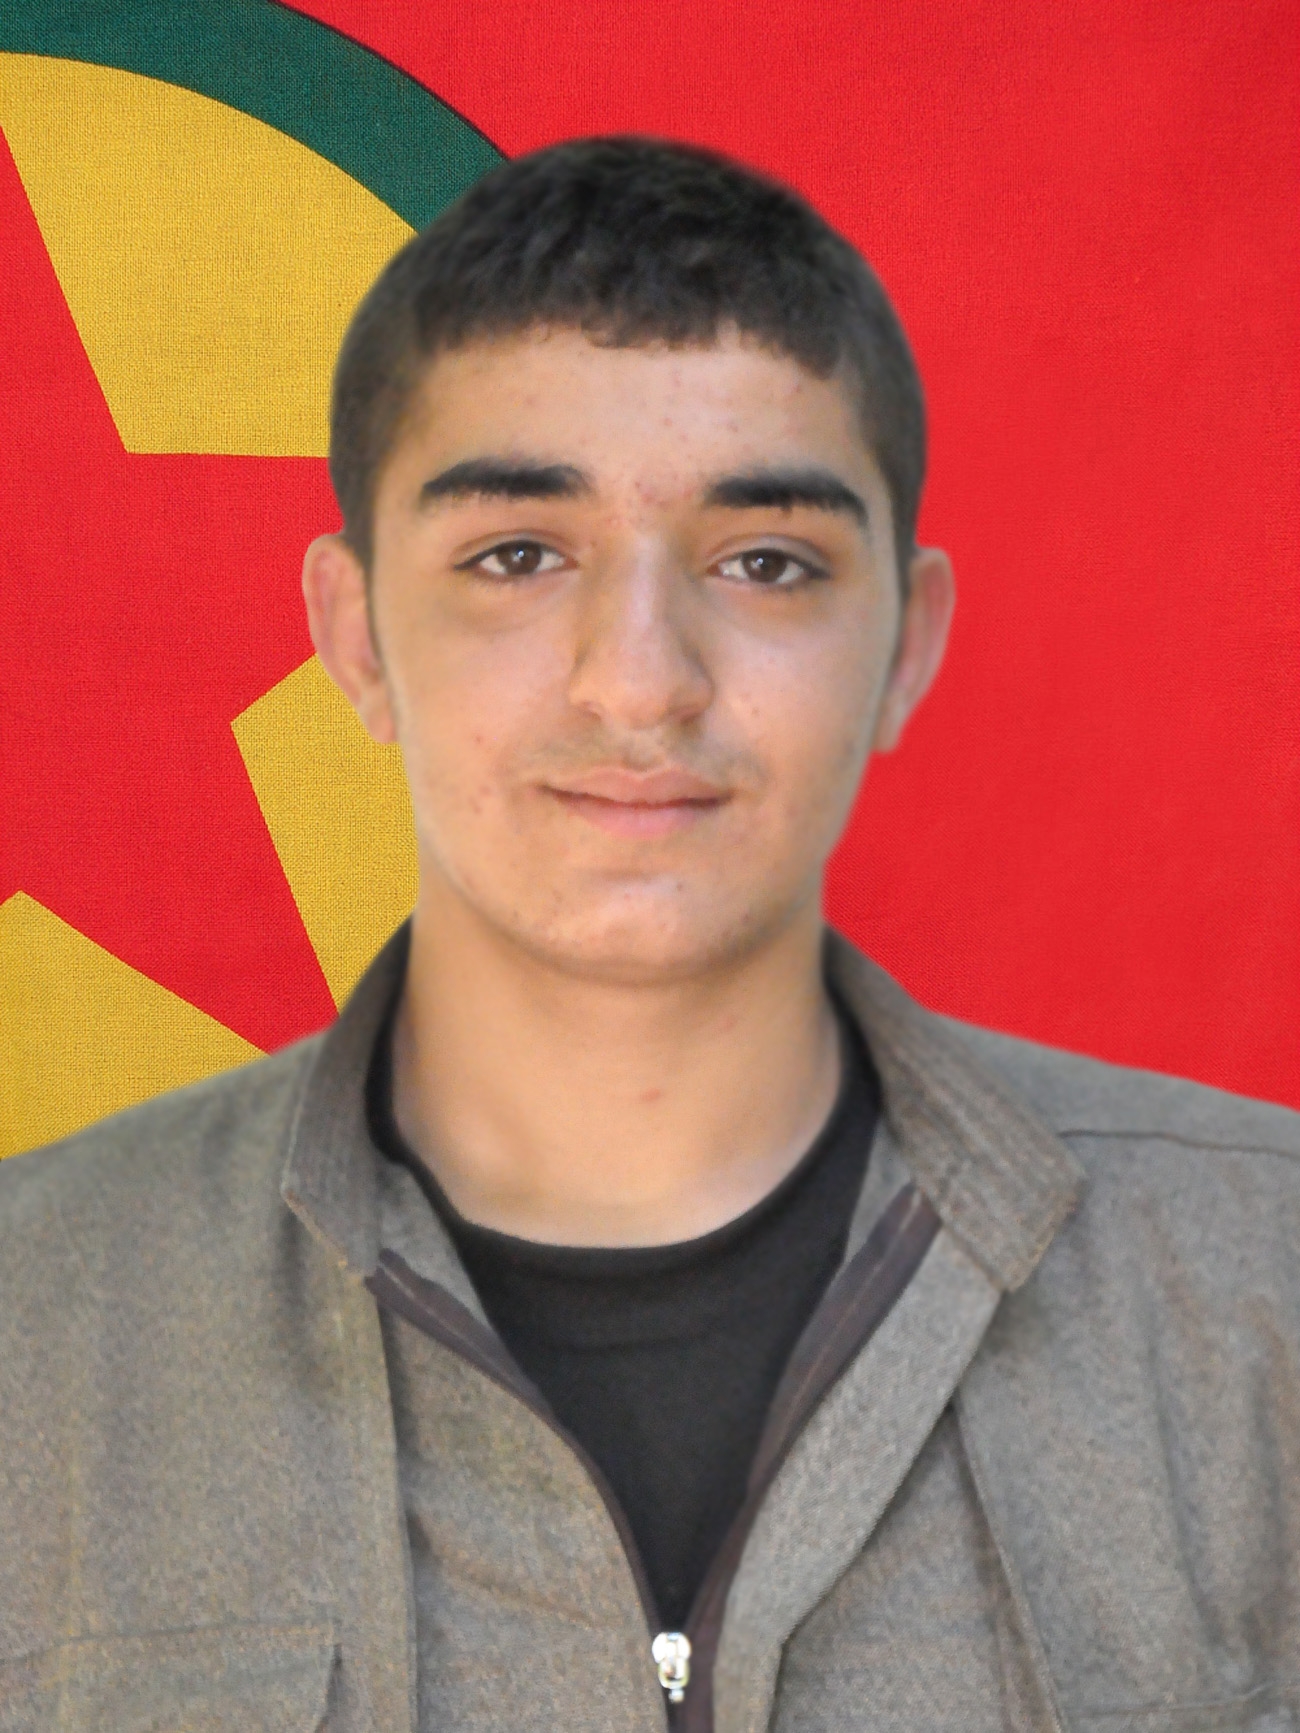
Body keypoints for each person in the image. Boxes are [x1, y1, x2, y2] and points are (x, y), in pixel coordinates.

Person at [1, 136, 1297, 1733]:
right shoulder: (29, 1327)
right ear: (358, 636)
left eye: (766, 563)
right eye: (517, 555)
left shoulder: (1268, 1292)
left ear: (907, 642)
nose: (640, 680)